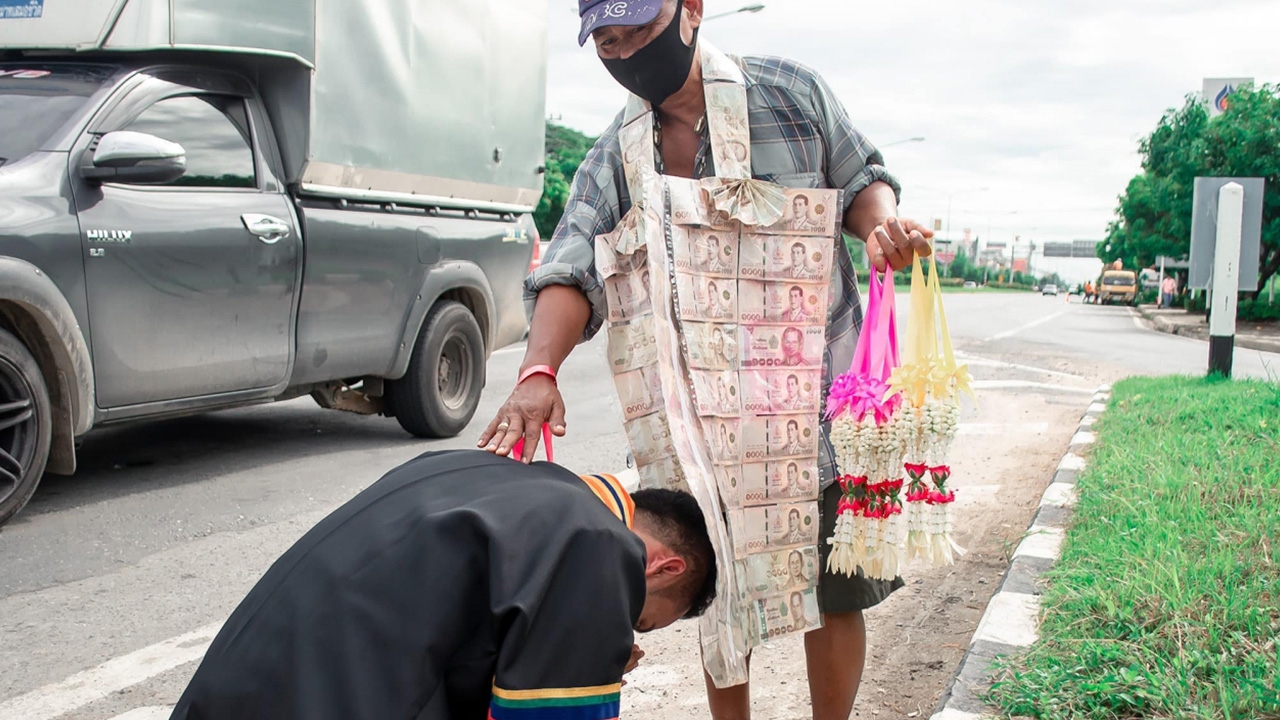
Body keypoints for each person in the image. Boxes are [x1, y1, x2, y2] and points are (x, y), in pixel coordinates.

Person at [480, 1, 929, 717]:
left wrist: (881, 230)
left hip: (814, 407)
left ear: (691, 9)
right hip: (704, 434)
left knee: (836, 590)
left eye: (639, 34)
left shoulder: (791, 96)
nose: (625, 54)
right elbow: (569, 268)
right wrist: (539, 370)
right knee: (718, 600)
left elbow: (858, 179)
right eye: (607, 43)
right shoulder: (616, 155)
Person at [169, 450, 716, 720]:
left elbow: (445, 636)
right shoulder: (598, 546)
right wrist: (591, 660)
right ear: (663, 567)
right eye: (637, 619)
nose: (625, 632)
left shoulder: (486, 473)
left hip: (231, 693)